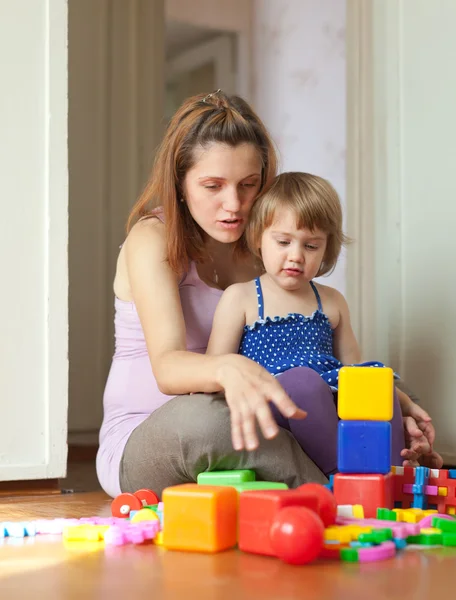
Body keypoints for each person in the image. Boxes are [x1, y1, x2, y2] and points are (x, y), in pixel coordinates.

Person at [96, 90, 440, 499]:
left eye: (248, 185)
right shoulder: (151, 239)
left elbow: (317, 365)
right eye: (213, 186)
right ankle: (345, 497)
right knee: (209, 420)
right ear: (180, 183)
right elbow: (168, 369)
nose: (234, 204)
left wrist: (393, 400)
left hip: (256, 413)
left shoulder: (263, 248)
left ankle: (390, 473)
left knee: (383, 388)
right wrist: (229, 369)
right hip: (159, 430)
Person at [206, 171, 442, 476]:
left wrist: (406, 404)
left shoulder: (331, 301)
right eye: (283, 241)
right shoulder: (241, 297)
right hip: (274, 403)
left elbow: (354, 371)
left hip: (330, 404)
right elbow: (215, 370)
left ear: (326, 248)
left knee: (375, 379)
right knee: (303, 382)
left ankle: (396, 472)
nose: (295, 256)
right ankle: (340, 475)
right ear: (259, 239)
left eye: (311, 246)